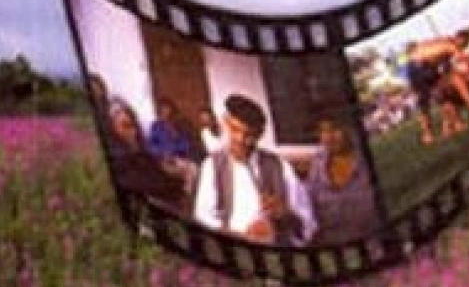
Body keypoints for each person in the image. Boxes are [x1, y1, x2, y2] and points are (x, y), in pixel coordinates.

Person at [194, 93, 314, 244]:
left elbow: (308, 223)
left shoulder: (279, 166)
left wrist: (285, 215)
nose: (240, 140)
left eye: (249, 135)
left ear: (260, 134)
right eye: (234, 129)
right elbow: (203, 220)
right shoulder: (211, 166)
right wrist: (240, 236)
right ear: (225, 122)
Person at [106, 98, 189, 212]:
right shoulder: (156, 127)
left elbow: (185, 145)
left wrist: (174, 148)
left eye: (133, 125)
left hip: (176, 158)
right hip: (161, 166)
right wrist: (164, 154)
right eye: (126, 126)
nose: (133, 131)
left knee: (189, 170)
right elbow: (152, 146)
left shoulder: (178, 127)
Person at [306, 116, 379, 245]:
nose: (328, 137)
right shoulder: (317, 165)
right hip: (337, 249)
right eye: (323, 131)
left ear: (350, 128)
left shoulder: (369, 158)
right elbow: (309, 211)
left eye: (335, 129)